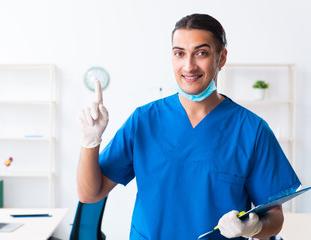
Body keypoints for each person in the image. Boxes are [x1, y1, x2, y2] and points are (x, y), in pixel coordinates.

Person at [77, 13, 301, 240]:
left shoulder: (252, 131)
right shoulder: (144, 120)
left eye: (201, 53)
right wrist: (90, 142)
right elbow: (90, 194)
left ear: (221, 58)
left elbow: (275, 216)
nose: (189, 65)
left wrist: (253, 227)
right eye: (179, 53)